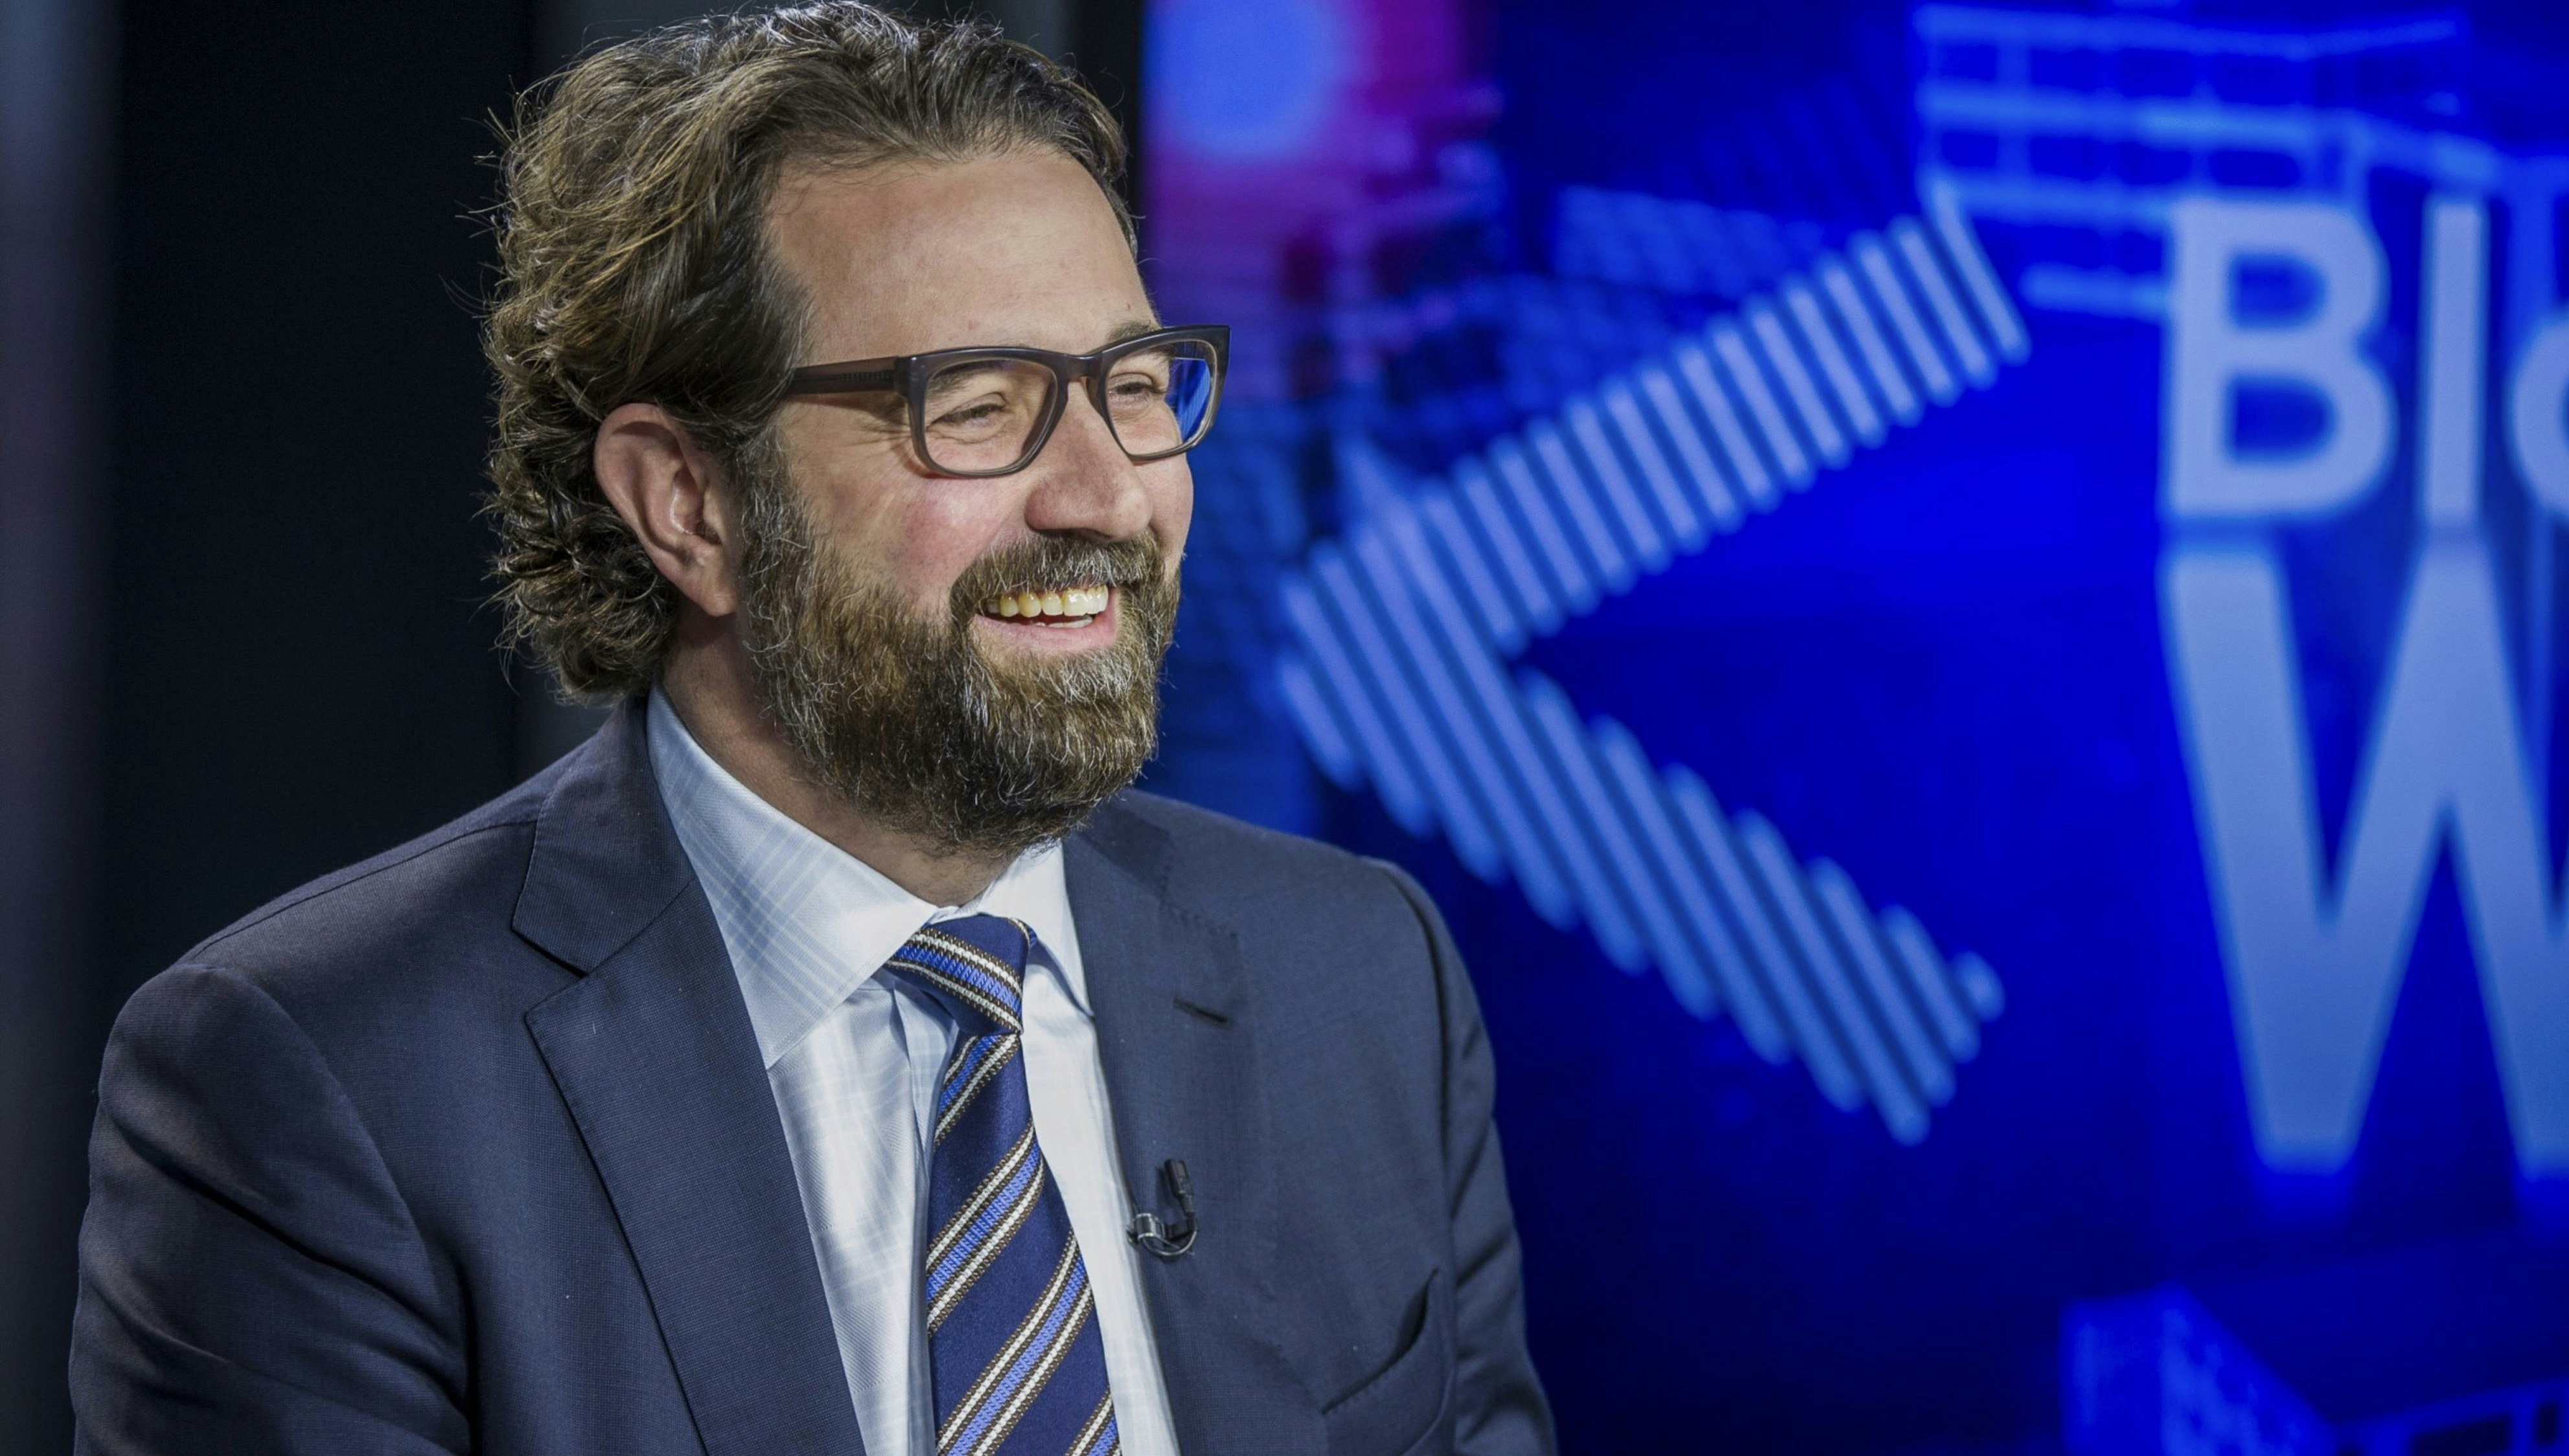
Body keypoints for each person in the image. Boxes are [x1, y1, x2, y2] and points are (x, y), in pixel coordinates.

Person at [68, 6, 1554, 1455]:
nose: (1109, 497)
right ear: (688, 504)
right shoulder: (319, 1079)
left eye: (1131, 387)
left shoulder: (1361, 979)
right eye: (977, 409)